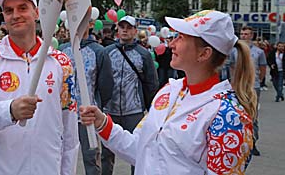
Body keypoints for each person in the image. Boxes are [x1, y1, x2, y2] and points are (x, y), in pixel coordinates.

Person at [80, 10, 257, 175]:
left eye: (181, 38)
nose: (171, 44)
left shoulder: (228, 116)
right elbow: (141, 149)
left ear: (204, 54)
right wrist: (102, 122)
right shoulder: (169, 91)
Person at [0, 0, 79, 175]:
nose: (15, 15)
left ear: (37, 12)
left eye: (22, 8)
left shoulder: (61, 63)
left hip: (46, 168)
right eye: (9, 11)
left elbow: (69, 130)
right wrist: (9, 111)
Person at [102, 15, 158, 175]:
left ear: (135, 30)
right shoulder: (107, 53)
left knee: (137, 153)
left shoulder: (144, 54)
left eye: (128, 27)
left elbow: (151, 83)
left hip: (134, 112)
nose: (125, 30)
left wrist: (151, 110)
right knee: (107, 152)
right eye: (122, 27)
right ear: (117, 30)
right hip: (110, 110)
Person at [60, 23, 114, 175]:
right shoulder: (61, 51)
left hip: (87, 116)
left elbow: (106, 85)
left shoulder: (99, 52)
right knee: (61, 156)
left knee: (91, 158)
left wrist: (96, 105)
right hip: (63, 116)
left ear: (89, 24)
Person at [230, 25, 266, 157]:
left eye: (246, 34)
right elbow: (232, 66)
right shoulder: (235, 51)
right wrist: (233, 81)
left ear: (251, 36)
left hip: (253, 86)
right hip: (237, 86)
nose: (243, 36)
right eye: (242, 34)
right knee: (237, 113)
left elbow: (262, 68)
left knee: (252, 114)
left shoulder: (258, 52)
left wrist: (259, 81)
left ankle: (253, 143)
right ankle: (239, 142)